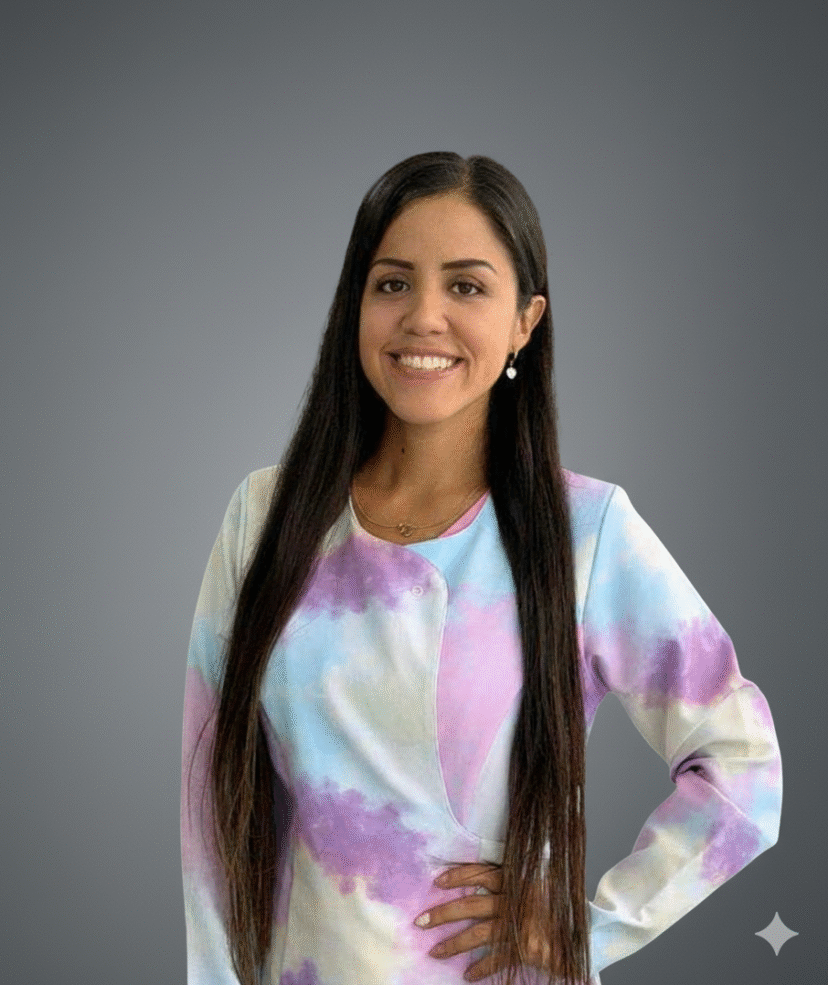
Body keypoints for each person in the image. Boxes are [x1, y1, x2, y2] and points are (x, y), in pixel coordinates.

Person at [180, 152, 782, 985]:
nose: (423, 316)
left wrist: (583, 929)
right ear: (355, 304)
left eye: (466, 286)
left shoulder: (585, 534)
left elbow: (743, 766)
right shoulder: (266, 518)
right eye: (393, 283)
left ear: (525, 322)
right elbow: (211, 809)